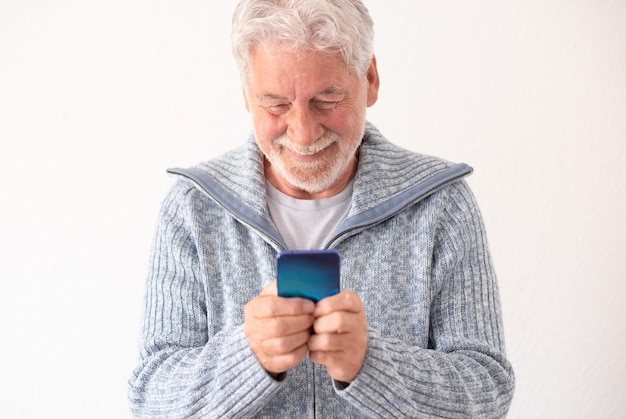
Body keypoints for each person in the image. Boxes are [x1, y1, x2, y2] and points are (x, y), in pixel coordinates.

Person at [128, 0, 515, 417]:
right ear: (246, 95)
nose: (303, 132)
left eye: (326, 98)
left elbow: (487, 393)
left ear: (370, 78)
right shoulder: (192, 208)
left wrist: (371, 364)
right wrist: (248, 355)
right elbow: (152, 400)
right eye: (276, 104)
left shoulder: (441, 204)